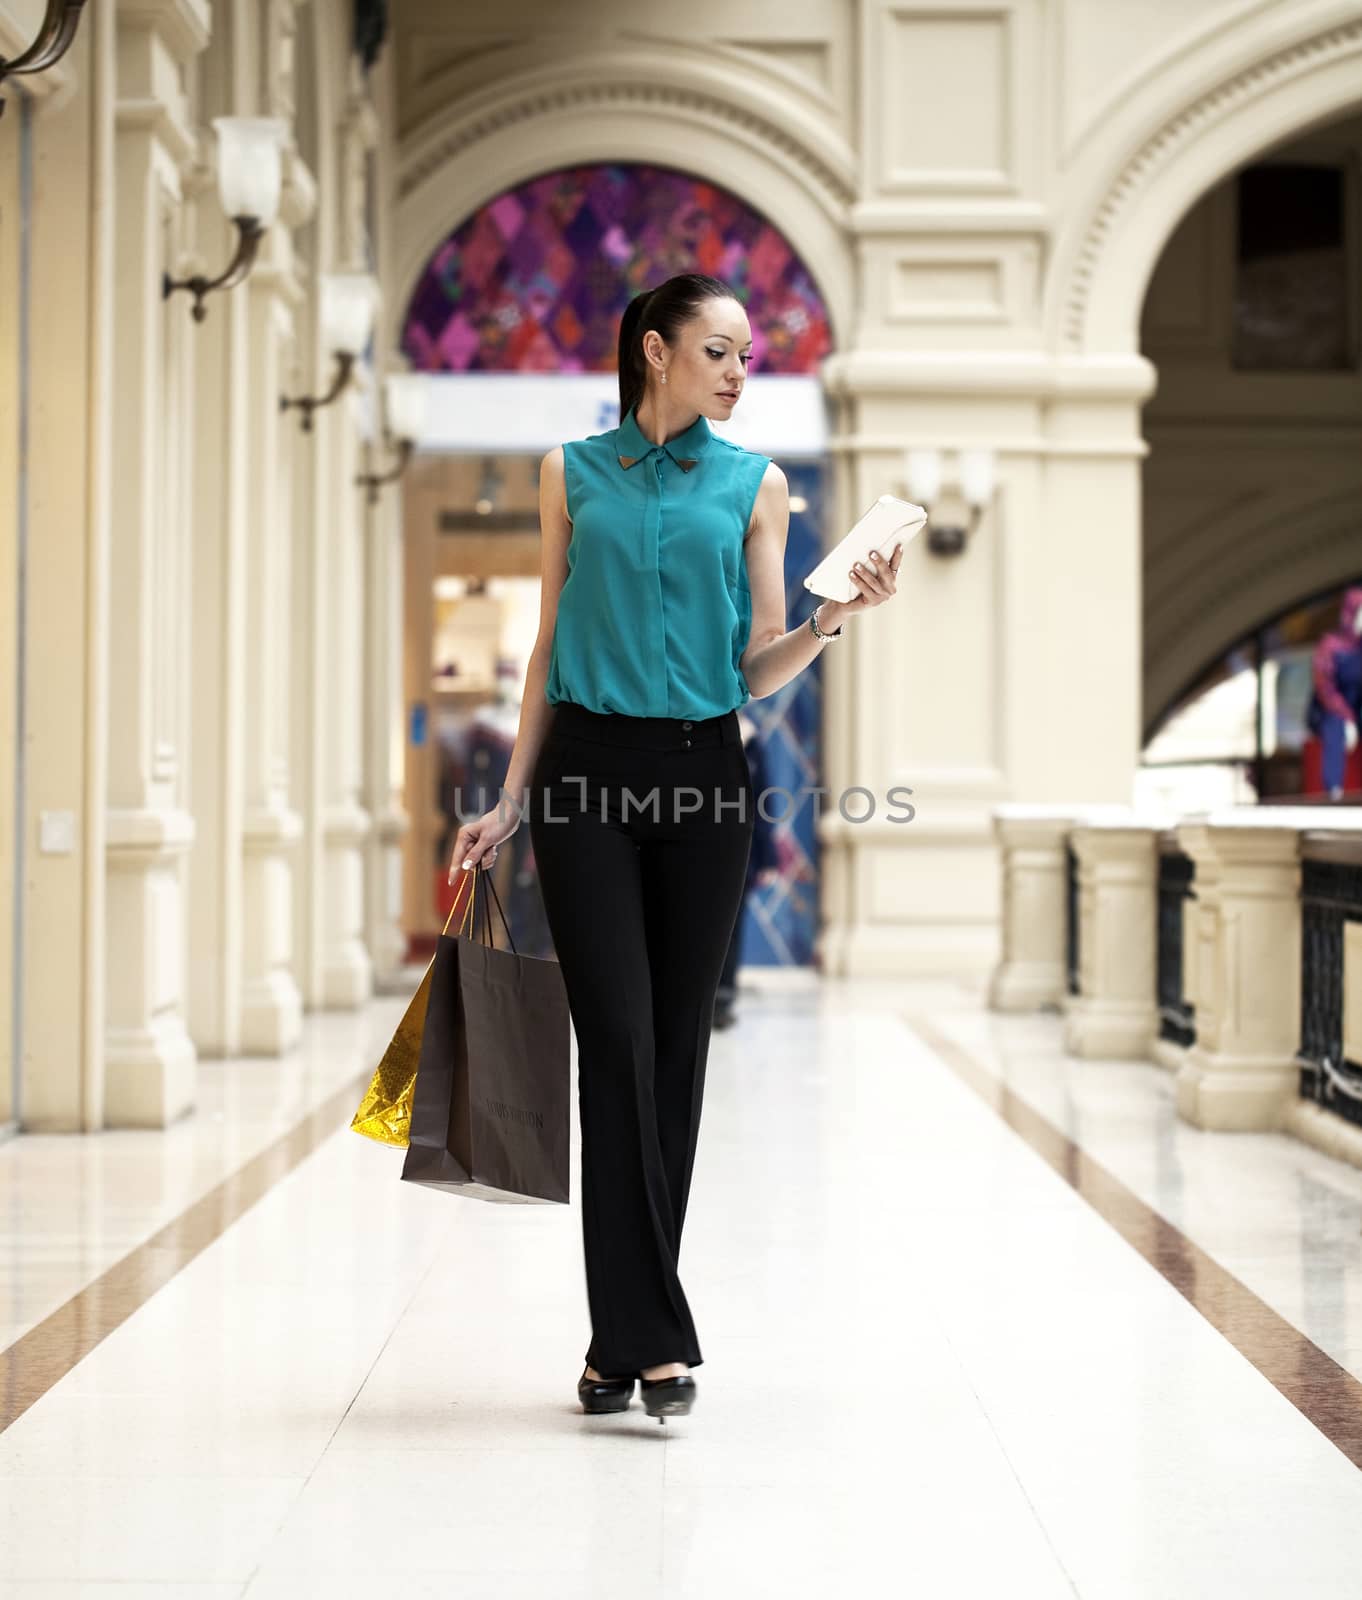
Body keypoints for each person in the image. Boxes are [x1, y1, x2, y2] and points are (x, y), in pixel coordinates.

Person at [447, 272, 904, 1423]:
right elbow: (550, 639)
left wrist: (829, 620)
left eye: (747, 353)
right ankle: (656, 1340)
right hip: (585, 777)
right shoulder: (571, 472)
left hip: (707, 772)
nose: (742, 370)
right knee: (615, 1044)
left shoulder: (759, 486)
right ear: (655, 352)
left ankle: (617, 1346)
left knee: (674, 1056)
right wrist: (509, 798)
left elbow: (755, 659)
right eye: (722, 349)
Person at [712, 710, 780, 1030]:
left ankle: (722, 999)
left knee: (730, 928)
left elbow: (764, 804)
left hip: (743, 851)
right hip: (696, 843)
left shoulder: (752, 739)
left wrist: (767, 858)